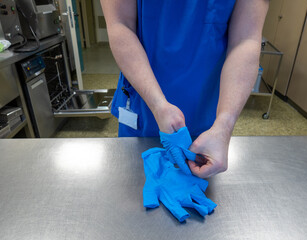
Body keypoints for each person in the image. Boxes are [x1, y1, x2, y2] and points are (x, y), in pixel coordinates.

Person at [101, 0, 269, 178]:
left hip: (206, 114)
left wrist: (224, 126)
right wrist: (158, 104)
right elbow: (120, 24)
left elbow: (246, 40)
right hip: (143, 105)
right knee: (133, 184)